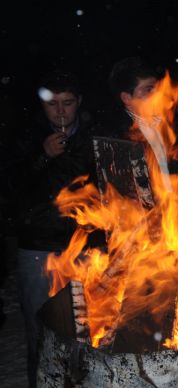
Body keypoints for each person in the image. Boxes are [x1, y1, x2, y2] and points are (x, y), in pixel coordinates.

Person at [11, 71, 101, 387]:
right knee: (40, 329)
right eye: (53, 104)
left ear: (79, 103)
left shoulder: (93, 139)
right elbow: (14, 193)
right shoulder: (24, 138)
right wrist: (42, 158)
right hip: (38, 249)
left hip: (83, 249)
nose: (61, 112)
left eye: (67, 103)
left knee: (82, 330)